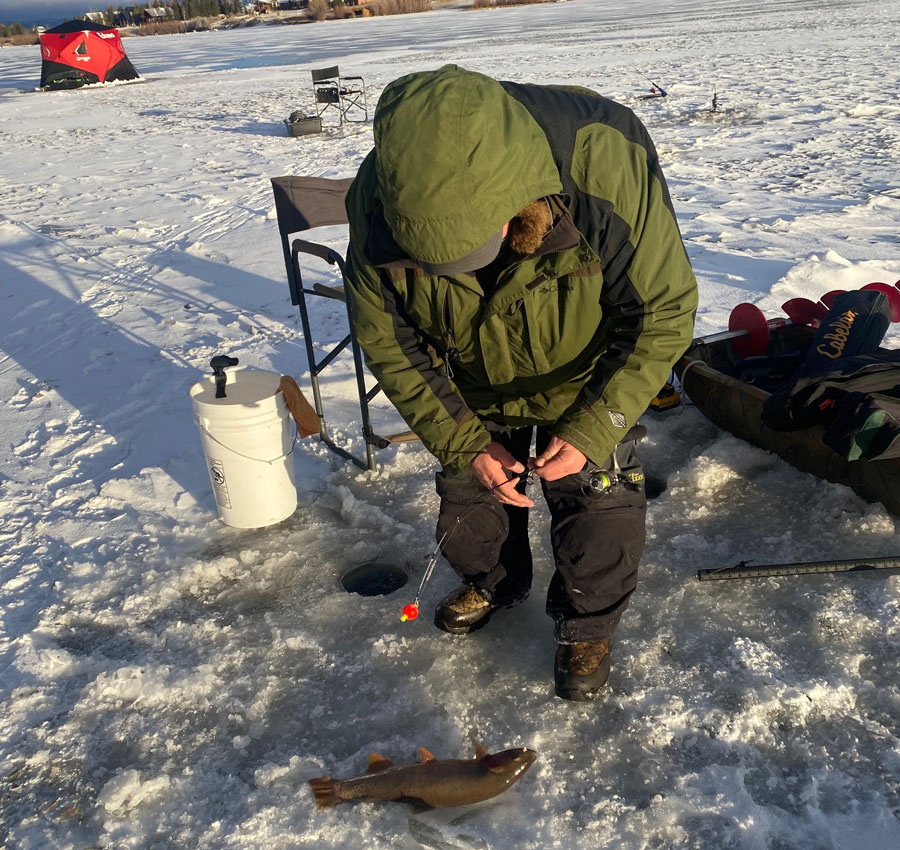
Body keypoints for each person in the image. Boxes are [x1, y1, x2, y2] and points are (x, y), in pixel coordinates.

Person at [344, 65, 698, 701]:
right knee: (470, 495)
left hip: (590, 374)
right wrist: (464, 442)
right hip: (473, 382)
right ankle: (494, 582)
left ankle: (587, 624)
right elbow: (389, 343)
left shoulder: (601, 160)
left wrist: (595, 427)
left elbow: (664, 310)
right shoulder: (378, 202)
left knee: (599, 504)